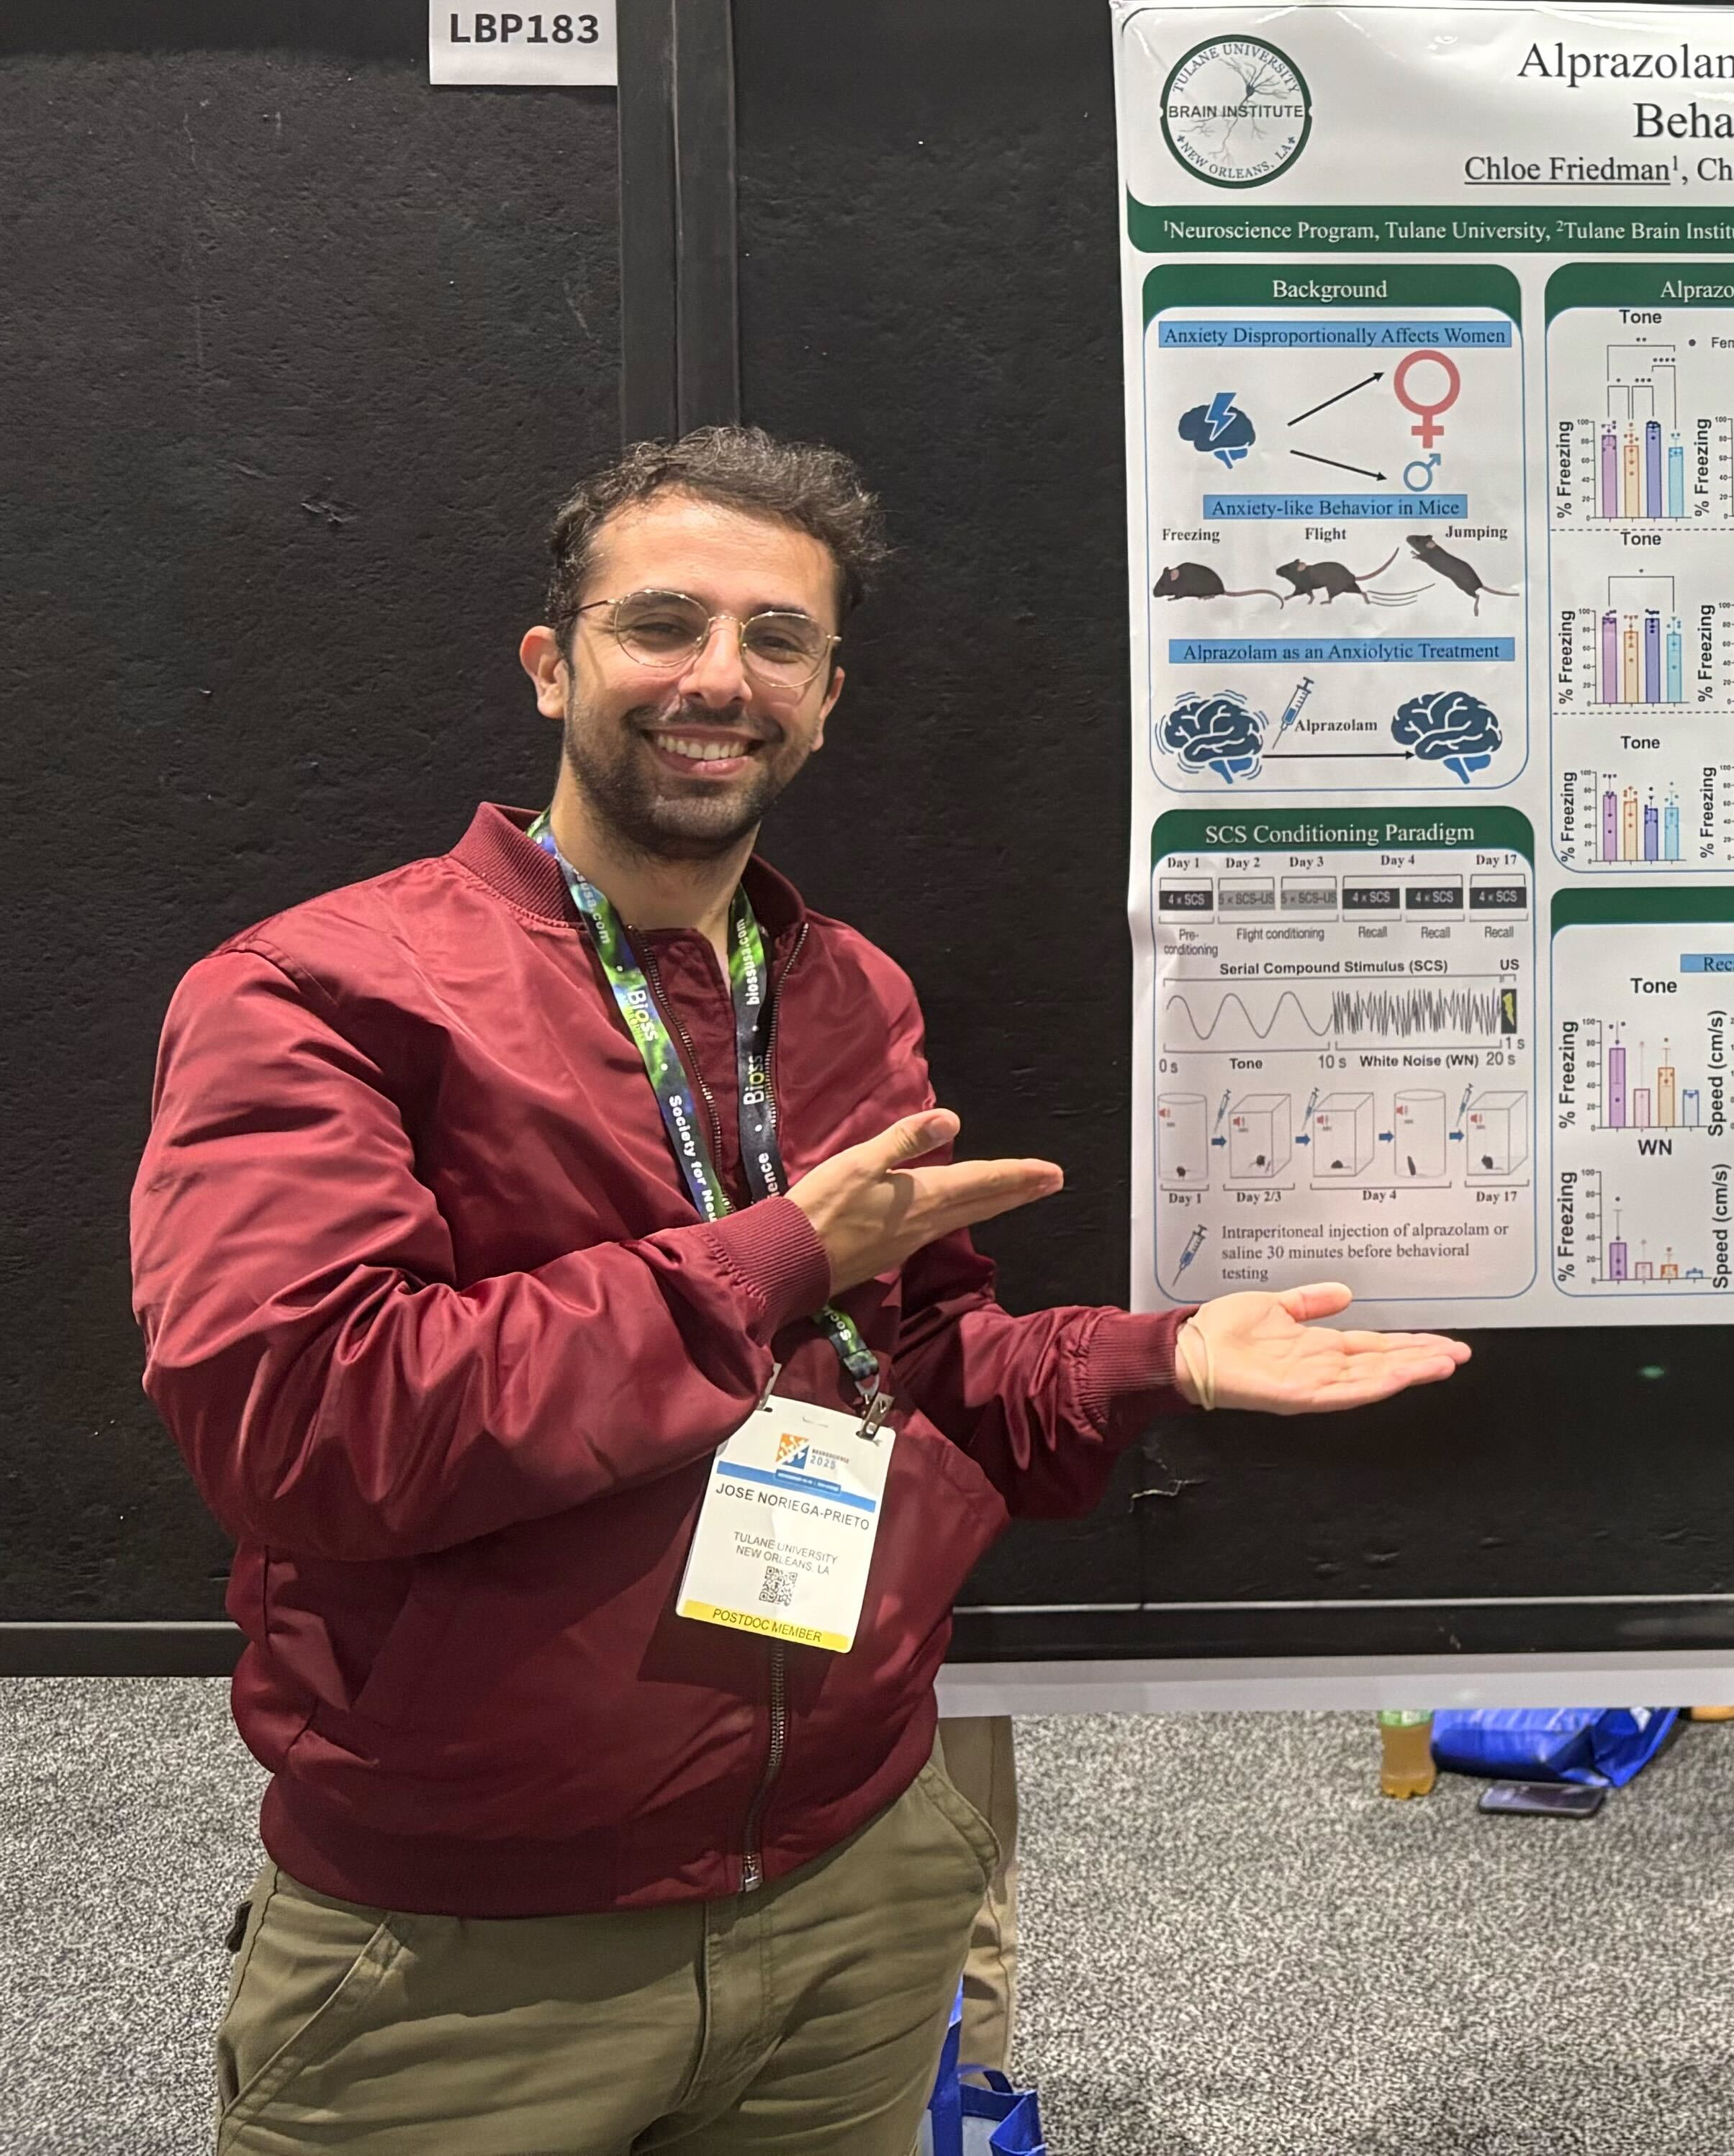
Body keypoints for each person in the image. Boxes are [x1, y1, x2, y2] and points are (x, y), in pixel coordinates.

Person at [134, 427, 1473, 2155]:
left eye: (779, 641)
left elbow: (912, 1360)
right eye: (662, 625)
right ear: (554, 665)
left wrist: (1166, 1361)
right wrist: (771, 1257)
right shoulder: (317, 993)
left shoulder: (843, 992)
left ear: (829, 698)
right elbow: (314, 1426)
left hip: (855, 1884)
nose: (720, 679)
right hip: (471, 1951)